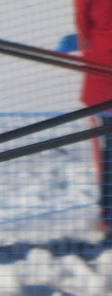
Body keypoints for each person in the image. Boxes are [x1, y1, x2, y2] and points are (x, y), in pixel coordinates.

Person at [74, 0, 112, 241]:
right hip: (102, 72)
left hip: (101, 72)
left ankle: (107, 213)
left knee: (107, 151)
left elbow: (82, 24)